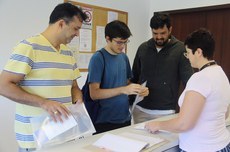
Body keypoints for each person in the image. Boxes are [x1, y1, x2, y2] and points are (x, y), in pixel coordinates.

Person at [0, 3, 87, 152]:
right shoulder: (29, 47)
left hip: (63, 136)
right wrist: (43, 102)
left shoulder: (68, 52)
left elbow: (73, 87)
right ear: (61, 23)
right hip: (35, 141)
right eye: (76, 28)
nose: (77, 34)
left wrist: (78, 98)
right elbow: (3, 85)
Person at [145, 28, 230, 152]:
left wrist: (158, 125)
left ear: (199, 52)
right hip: (222, 145)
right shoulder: (221, 74)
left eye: (188, 53)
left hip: (200, 148)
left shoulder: (200, 78)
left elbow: (184, 124)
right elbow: (225, 114)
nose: (187, 57)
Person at [87, 20, 149, 134]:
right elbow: (94, 94)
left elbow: (126, 84)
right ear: (107, 39)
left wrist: (139, 89)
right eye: (119, 42)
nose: (123, 46)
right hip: (104, 122)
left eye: (125, 42)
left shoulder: (123, 57)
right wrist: (123, 90)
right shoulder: (98, 58)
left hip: (125, 118)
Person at [131, 13, 193, 124]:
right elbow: (134, 77)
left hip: (165, 112)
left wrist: (187, 109)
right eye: (155, 33)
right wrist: (130, 103)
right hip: (140, 110)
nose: (159, 37)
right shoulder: (143, 48)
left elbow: (189, 82)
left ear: (170, 30)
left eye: (163, 33)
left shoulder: (181, 49)